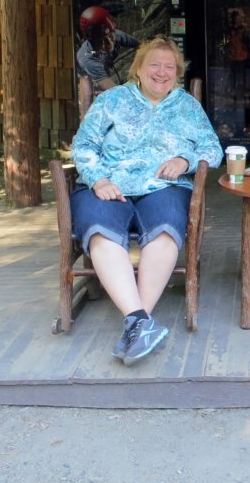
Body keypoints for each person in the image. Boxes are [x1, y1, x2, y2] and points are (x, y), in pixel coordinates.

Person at [70, 36, 222, 365]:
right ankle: (141, 321)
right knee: (100, 229)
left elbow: (213, 149)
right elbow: (83, 145)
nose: (162, 72)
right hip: (109, 185)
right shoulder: (112, 100)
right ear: (138, 68)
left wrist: (184, 160)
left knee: (166, 227)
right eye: (154, 65)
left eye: (169, 67)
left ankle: (137, 322)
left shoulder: (187, 106)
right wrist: (98, 179)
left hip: (164, 186)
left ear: (177, 74)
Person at [75, 5, 140, 90]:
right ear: (91, 41)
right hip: (89, 81)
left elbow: (141, 45)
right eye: (101, 41)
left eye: (110, 36)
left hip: (105, 66)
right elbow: (112, 90)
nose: (109, 43)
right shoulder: (87, 58)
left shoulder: (116, 35)